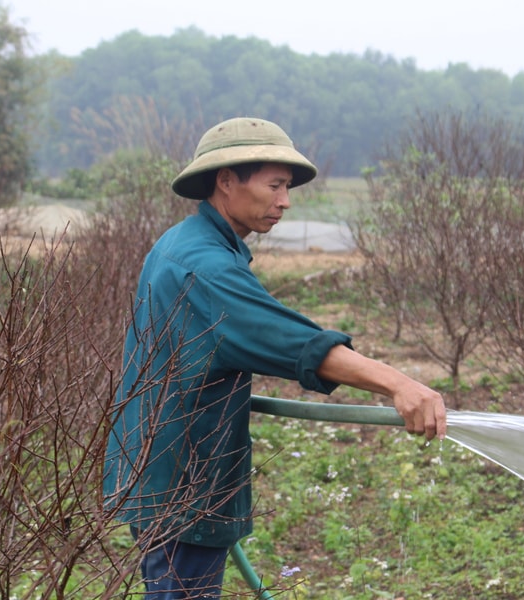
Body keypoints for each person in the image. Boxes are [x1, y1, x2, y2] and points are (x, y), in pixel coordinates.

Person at [103, 117, 447, 599]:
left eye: (287, 188)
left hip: (165, 468)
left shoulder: (182, 242)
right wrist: (399, 383)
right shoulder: (206, 267)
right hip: (183, 482)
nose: (285, 201)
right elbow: (294, 342)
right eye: (274, 185)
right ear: (226, 181)